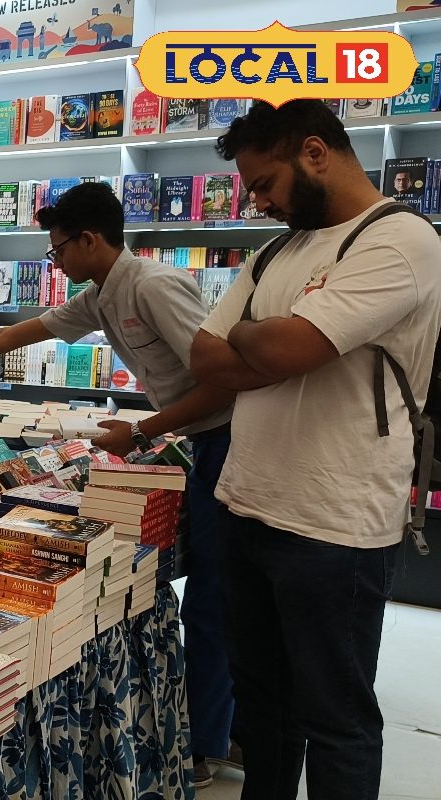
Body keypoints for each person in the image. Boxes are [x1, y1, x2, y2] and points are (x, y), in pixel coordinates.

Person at [190, 99, 441, 800]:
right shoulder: (279, 250)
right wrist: (275, 344)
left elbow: (283, 347)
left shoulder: (400, 240)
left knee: (336, 718)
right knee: (262, 704)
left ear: (315, 153)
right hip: (245, 504)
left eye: (265, 184)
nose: (259, 202)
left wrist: (262, 337)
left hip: (336, 525)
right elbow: (204, 356)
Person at [0, 180, 238, 787]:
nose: (54, 262)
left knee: (214, 596)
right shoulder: (101, 295)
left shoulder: (153, 286)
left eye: (57, 250)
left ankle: (207, 742)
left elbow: (223, 383)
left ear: (89, 240)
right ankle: (218, 726)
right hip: (197, 440)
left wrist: (140, 433)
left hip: (229, 441)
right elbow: (24, 332)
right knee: (207, 585)